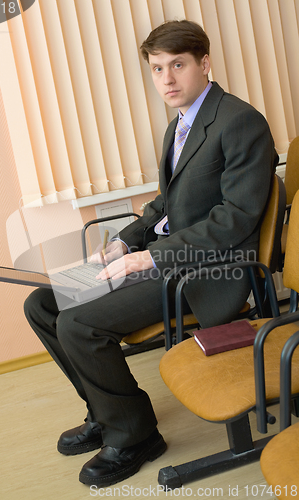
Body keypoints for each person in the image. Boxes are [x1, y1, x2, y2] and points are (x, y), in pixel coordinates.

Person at [24, 19, 278, 487]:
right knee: (41, 303)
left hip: (207, 272)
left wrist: (152, 258)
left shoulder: (239, 120)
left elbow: (236, 218)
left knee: (78, 323)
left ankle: (136, 434)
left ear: (204, 63)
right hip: (166, 256)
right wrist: (128, 239)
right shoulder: (179, 125)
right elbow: (165, 202)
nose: (166, 80)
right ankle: (106, 410)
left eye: (177, 65)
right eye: (157, 69)